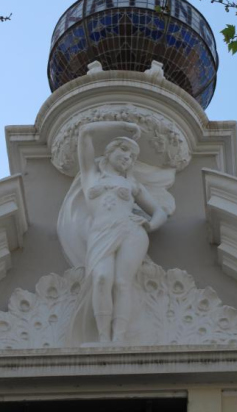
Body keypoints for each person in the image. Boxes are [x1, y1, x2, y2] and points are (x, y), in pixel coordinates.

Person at [56, 120, 174, 346]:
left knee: (122, 283)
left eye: (131, 156)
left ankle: (118, 338)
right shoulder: (91, 175)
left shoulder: (132, 184)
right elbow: (85, 133)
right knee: (101, 279)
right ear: (109, 152)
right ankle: (102, 338)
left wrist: (149, 225)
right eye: (124, 150)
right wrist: (121, 125)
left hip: (131, 232)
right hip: (101, 233)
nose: (128, 157)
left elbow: (159, 212)